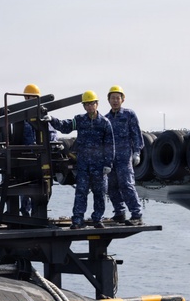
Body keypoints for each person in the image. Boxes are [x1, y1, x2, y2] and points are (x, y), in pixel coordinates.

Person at [49, 90, 115, 229]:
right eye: (87, 104)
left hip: (99, 166)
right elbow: (65, 126)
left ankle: (97, 219)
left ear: (97, 104)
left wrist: (108, 164)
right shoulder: (79, 120)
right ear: (84, 106)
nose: (90, 107)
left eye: (92, 104)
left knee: (100, 193)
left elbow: (110, 145)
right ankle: (78, 220)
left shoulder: (105, 123)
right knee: (81, 192)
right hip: (83, 164)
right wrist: (51, 119)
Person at [104, 85, 145, 226]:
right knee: (111, 186)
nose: (115, 101)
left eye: (117, 98)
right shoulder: (106, 119)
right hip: (110, 159)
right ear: (108, 100)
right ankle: (119, 213)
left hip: (124, 157)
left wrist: (137, 152)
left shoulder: (129, 115)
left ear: (123, 99)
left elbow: (136, 135)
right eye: (112, 98)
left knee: (126, 184)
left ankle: (136, 214)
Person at [20, 83, 57, 217]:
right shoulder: (21, 117)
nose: (30, 100)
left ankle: (37, 214)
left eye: (33, 98)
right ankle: (25, 214)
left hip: (41, 158)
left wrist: (48, 145)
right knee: (25, 189)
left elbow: (52, 134)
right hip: (27, 158)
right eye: (28, 98)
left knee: (43, 189)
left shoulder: (43, 114)